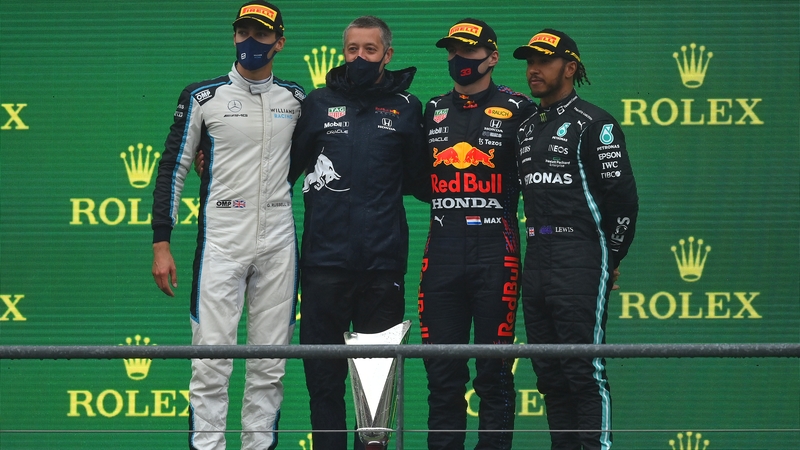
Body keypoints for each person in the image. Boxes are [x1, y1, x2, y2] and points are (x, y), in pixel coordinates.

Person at [150, 2, 304, 449]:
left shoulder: (296, 99)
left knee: (270, 366)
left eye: (261, 34)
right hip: (221, 239)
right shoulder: (203, 96)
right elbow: (173, 168)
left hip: (279, 242)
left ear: (280, 41)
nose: (250, 42)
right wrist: (162, 241)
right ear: (234, 36)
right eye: (243, 32)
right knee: (210, 363)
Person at [288, 16, 427, 450]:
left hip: (381, 267)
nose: (360, 57)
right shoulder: (316, 103)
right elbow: (281, 173)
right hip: (323, 266)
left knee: (375, 391)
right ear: (343, 52)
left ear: (388, 54)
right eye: (352, 49)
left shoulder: (407, 107)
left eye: (370, 50)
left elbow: (422, 183)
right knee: (324, 383)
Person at [513, 29, 639, 449]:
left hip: (579, 255)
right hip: (537, 255)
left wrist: (608, 258)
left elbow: (623, 202)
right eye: (530, 61)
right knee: (550, 375)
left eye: (545, 61)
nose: (534, 69)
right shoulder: (527, 127)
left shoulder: (594, 123)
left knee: (584, 371)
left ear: (570, 68)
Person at [416, 19, 536, 450]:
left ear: (492, 57)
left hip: (496, 252)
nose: (459, 59)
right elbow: (407, 174)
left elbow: (547, 180)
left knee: (494, 374)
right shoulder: (431, 108)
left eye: (468, 51)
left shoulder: (521, 108)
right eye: (452, 51)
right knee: (441, 374)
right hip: (441, 252)